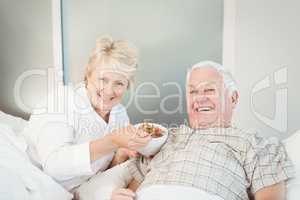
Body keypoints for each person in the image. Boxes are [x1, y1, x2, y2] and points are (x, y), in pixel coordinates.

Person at [111, 61, 294, 200]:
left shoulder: (257, 144)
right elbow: (130, 190)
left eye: (209, 90)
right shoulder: (165, 138)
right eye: (192, 92)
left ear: (233, 98)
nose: (199, 99)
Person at [22, 36, 151, 193]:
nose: (109, 90)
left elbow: (100, 173)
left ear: (127, 86)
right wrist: (112, 141)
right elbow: (54, 166)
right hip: (40, 185)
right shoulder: (62, 101)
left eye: (119, 83)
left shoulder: (119, 114)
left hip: (81, 191)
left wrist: (120, 155)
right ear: (88, 75)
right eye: (103, 79)